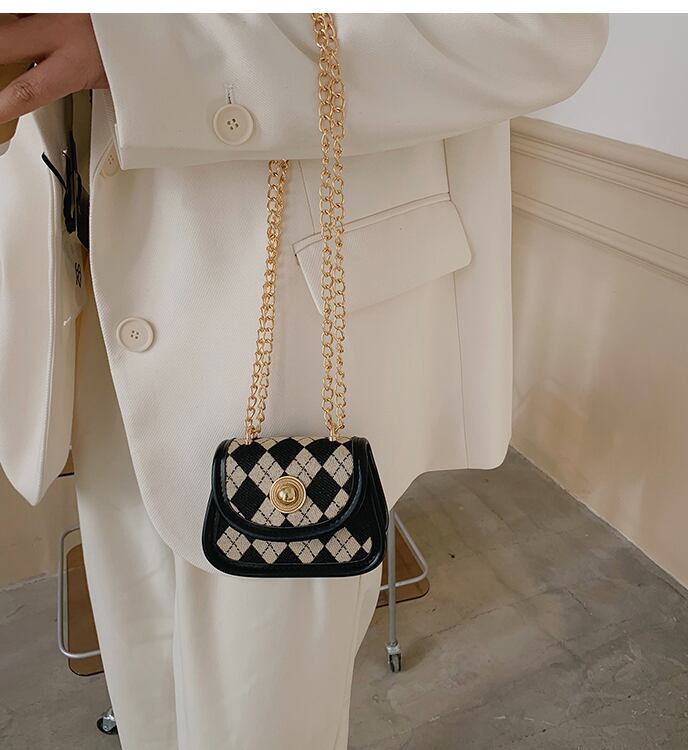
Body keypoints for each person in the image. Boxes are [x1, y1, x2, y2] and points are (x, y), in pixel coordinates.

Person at [0, 13, 608, 749]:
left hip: (293, 344)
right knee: (146, 707)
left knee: (266, 724)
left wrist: (140, 51)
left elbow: (539, 35)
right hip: (96, 310)